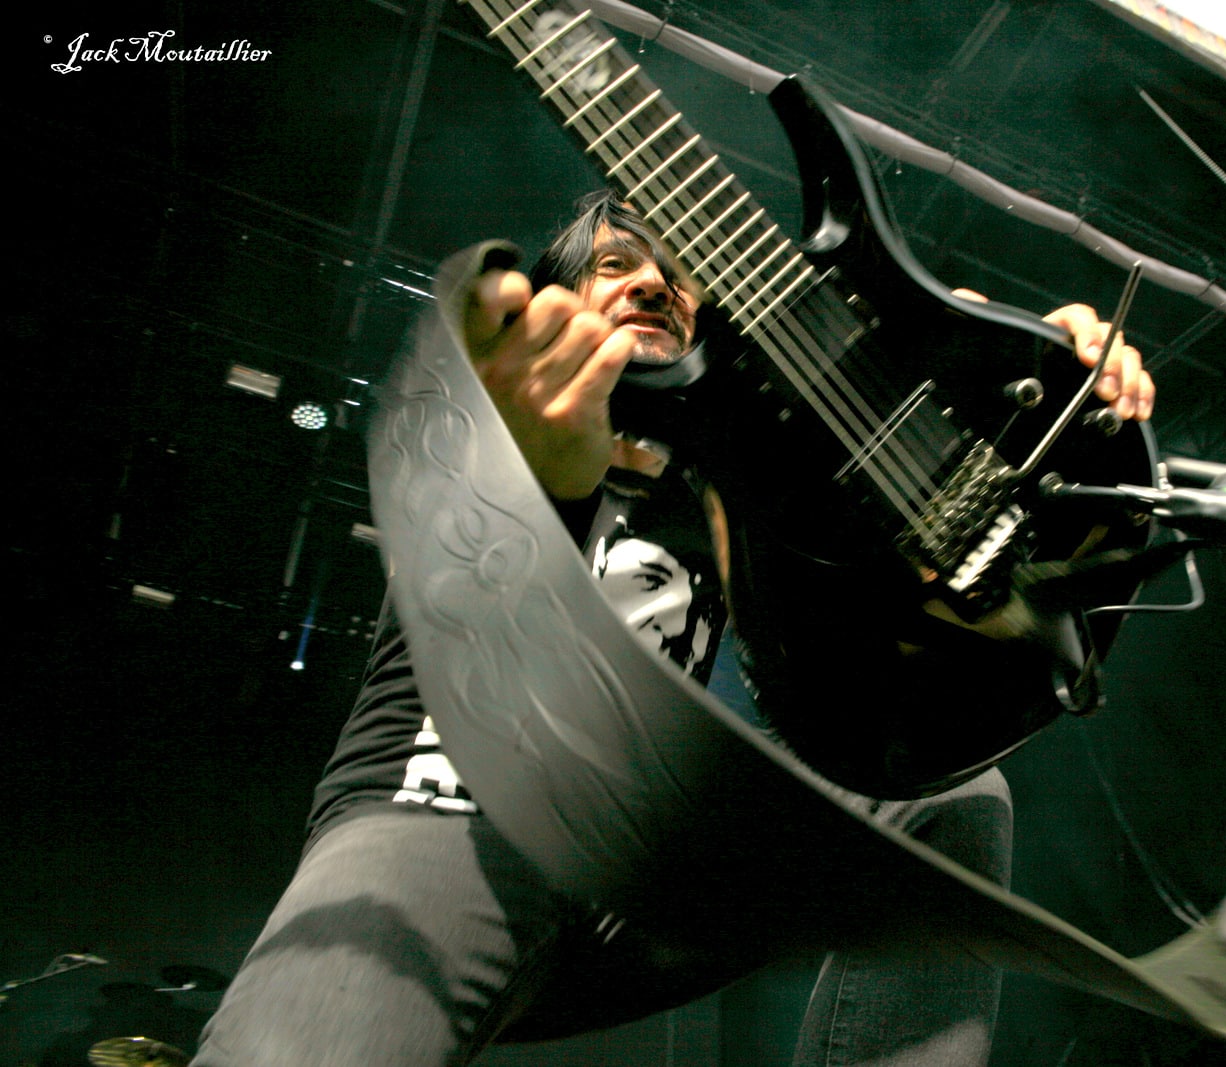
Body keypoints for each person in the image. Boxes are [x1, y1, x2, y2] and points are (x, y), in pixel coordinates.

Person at [191, 191, 1155, 1066]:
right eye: (616, 265)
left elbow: (913, 519)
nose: (654, 283)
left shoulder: (735, 496)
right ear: (559, 307)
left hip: (645, 865)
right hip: (452, 815)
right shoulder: (498, 420)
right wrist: (545, 471)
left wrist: (1029, 363)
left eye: (679, 276)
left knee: (958, 799)